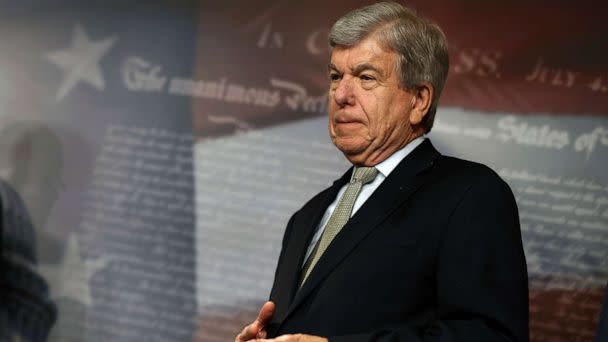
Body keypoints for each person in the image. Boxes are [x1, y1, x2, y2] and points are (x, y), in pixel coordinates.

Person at [235, 2, 528, 341]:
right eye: (335, 76)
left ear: (418, 100)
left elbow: (489, 336)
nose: (341, 94)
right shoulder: (306, 217)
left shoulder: (471, 196)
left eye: (366, 77)